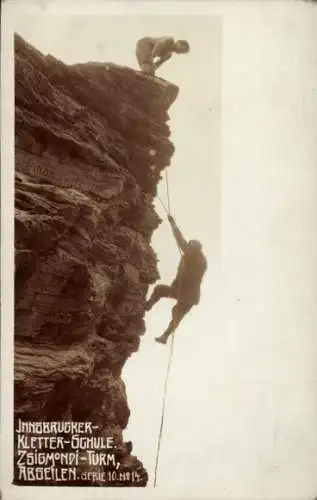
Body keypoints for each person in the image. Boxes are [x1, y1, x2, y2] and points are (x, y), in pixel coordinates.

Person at [146, 215, 207, 344]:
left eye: (191, 249)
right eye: (188, 248)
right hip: (181, 290)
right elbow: (181, 241)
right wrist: (173, 224)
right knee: (160, 290)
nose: (188, 250)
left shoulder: (199, 261)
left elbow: (193, 276)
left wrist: (173, 224)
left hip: (189, 296)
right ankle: (148, 305)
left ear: (196, 250)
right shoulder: (190, 254)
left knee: (177, 313)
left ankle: (165, 336)